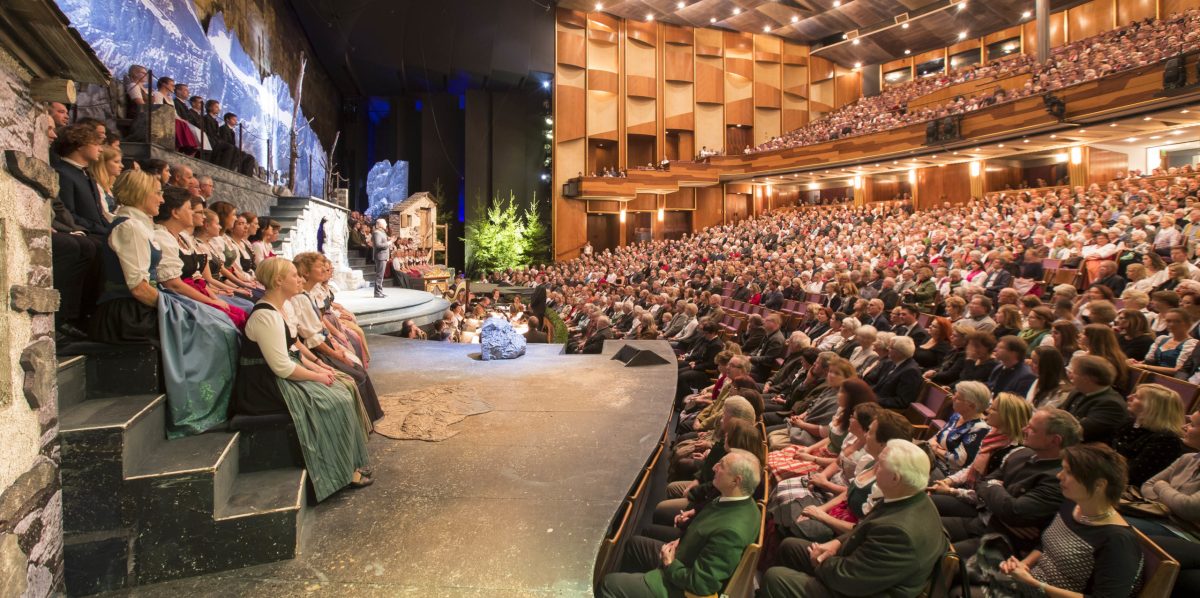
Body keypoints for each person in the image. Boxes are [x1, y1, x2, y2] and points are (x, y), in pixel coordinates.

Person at [90, 170, 238, 437]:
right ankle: (197, 408)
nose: (161, 199)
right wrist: (178, 308)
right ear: (140, 194)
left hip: (139, 304)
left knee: (216, 322)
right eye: (157, 193)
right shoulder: (130, 227)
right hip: (126, 313)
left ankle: (219, 402)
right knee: (211, 330)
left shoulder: (139, 225)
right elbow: (138, 287)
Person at [232, 257, 373, 501]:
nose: (299, 279)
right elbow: (282, 366)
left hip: (277, 375)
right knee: (335, 400)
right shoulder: (266, 316)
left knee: (343, 389)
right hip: (265, 386)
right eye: (294, 276)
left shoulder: (278, 310)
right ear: (278, 281)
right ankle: (338, 473)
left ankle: (348, 464)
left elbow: (293, 350)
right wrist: (318, 376)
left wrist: (318, 367)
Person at [760, 440, 948, 598]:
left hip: (865, 591)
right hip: (860, 568)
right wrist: (835, 544)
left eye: (879, 466)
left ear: (895, 478)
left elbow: (850, 579)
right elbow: (863, 527)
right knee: (789, 546)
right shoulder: (908, 496)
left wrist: (822, 562)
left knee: (775, 577)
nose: (874, 469)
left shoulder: (900, 532)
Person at [968, 443, 1143, 598]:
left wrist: (1036, 584)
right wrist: (1022, 566)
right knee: (961, 575)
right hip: (1030, 584)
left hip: (1040, 589)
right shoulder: (1072, 504)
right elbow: (1044, 546)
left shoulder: (1118, 540)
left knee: (961, 586)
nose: (1059, 476)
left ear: (1099, 485)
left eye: (1069, 472)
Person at [599, 449, 761, 598]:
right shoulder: (738, 501)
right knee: (634, 545)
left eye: (722, 466)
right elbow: (705, 535)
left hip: (679, 587)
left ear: (735, 481)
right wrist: (684, 539)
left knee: (608, 584)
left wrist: (670, 565)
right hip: (684, 556)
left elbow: (702, 584)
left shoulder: (731, 531)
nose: (714, 468)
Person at [934, 407, 1082, 558]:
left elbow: (1014, 511)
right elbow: (981, 483)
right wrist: (1000, 499)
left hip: (1003, 542)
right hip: (983, 519)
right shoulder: (1022, 453)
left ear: (1055, 440)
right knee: (926, 525)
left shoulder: (1057, 478)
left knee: (938, 557)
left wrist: (995, 489)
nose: (1024, 429)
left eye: (1032, 429)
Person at [1130, 409, 1200, 596]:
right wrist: (1173, 499)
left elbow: (1188, 508)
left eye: (1192, 424)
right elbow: (1147, 485)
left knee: (1125, 533)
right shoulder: (1187, 459)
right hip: (1163, 517)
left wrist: (1162, 487)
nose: (1184, 427)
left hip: (1187, 532)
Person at [1113, 383, 1185, 486]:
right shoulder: (1129, 424)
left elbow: (1133, 474)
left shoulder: (1166, 439)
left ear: (1151, 407)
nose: (1129, 397)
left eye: (1136, 397)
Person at [928, 381, 992, 480]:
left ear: (971, 405)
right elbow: (936, 437)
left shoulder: (979, 428)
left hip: (946, 473)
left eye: (957, 398)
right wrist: (934, 446)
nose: (952, 398)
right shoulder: (957, 416)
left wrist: (935, 449)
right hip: (932, 459)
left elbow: (959, 461)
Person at [1061, 355, 1130, 443]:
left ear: (1087, 379)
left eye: (1073, 372)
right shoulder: (1077, 391)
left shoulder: (1111, 406)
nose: (1069, 376)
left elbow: (1076, 432)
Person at [371, 219, 391, 298]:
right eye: (385, 223)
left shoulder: (382, 232)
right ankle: (377, 293)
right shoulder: (377, 233)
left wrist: (389, 240)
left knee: (381, 276)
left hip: (383, 256)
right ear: (380, 224)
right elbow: (378, 245)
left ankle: (380, 291)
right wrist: (388, 243)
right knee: (379, 275)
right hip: (380, 256)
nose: (386, 224)